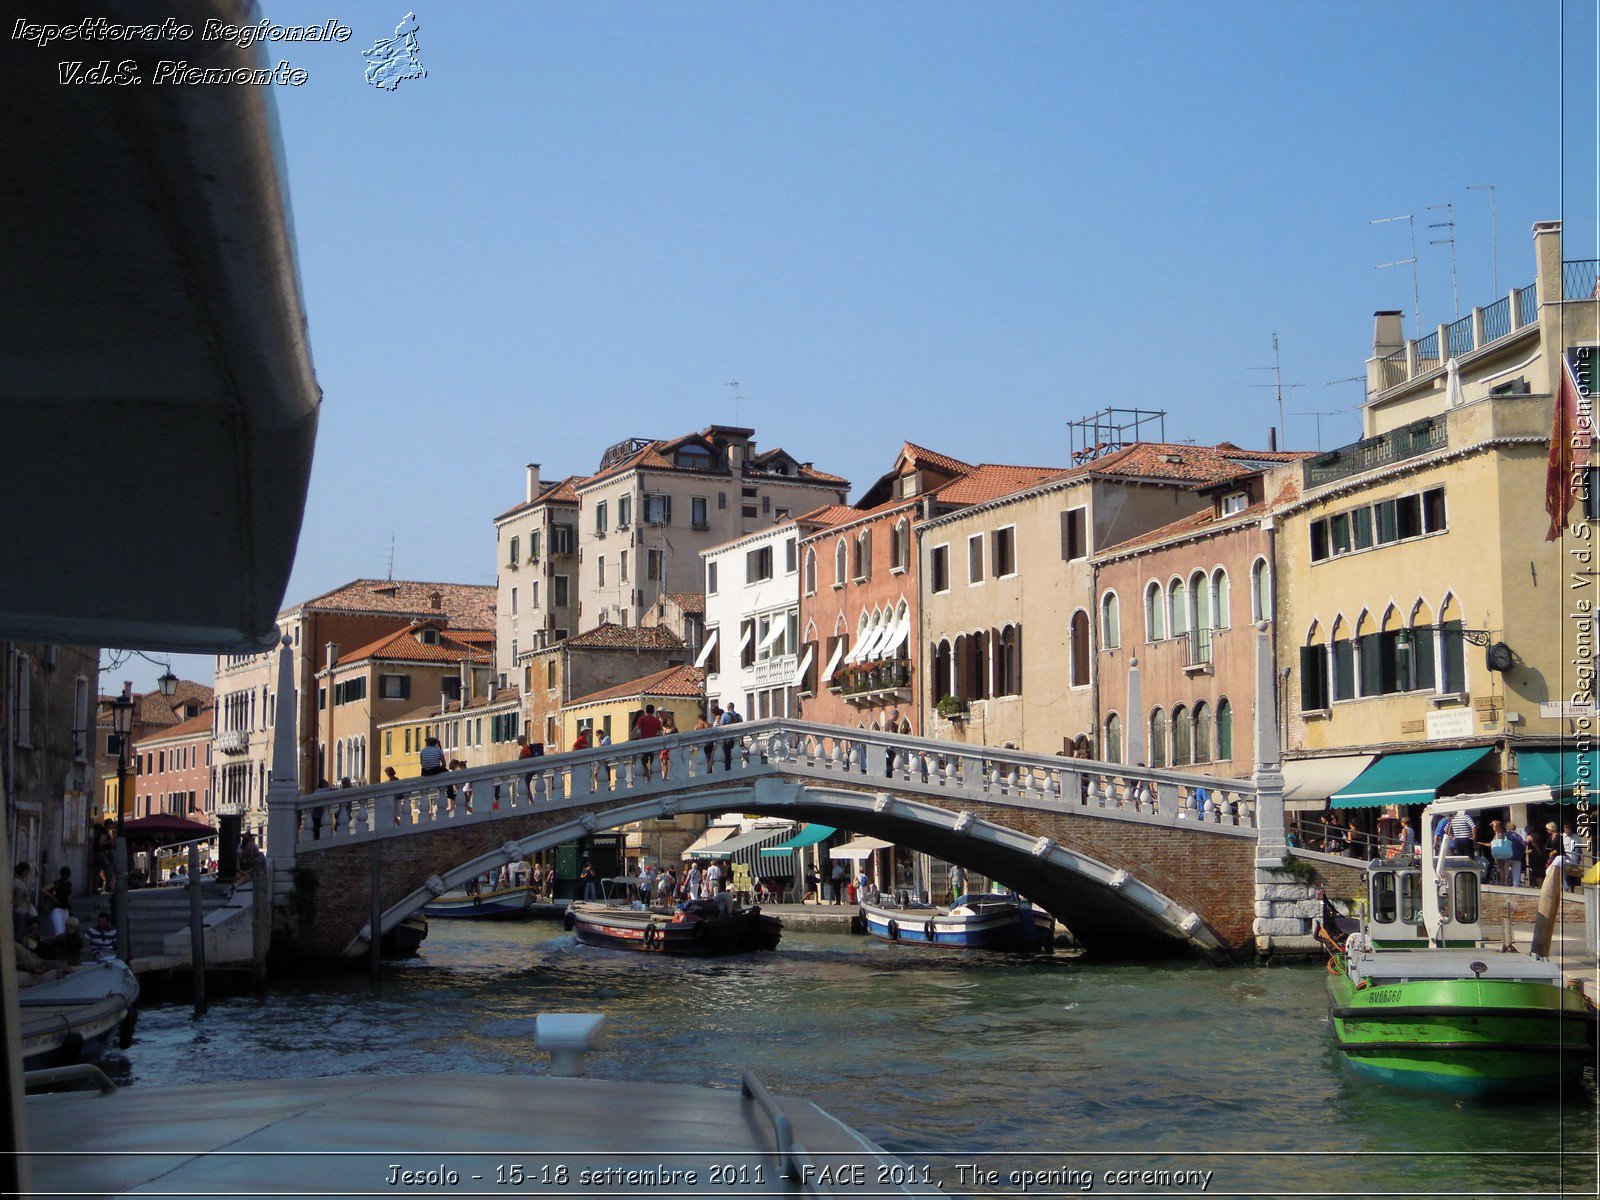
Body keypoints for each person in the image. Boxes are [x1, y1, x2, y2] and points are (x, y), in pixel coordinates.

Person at [632, 704, 663, 780]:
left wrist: (636, 736)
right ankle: (653, 778)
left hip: (644, 744)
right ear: (653, 711)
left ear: (646, 710)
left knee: (642, 762)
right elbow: (660, 733)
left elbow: (635, 730)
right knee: (654, 762)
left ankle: (648, 777)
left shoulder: (642, 719)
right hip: (653, 744)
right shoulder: (657, 720)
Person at [12, 862, 34, 943]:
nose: (29, 872)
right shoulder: (16, 882)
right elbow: (11, 894)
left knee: (23, 931)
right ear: (24, 871)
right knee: (19, 932)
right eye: (28, 870)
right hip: (19, 911)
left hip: (24, 911)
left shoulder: (23, 882)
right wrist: (16, 903)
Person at [717, 702, 742, 770]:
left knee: (727, 754)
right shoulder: (739, 716)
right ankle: (737, 768)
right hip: (737, 739)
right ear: (733, 707)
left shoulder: (725, 715)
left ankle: (728, 768)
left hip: (728, 739)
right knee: (737, 754)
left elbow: (721, 727)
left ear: (728, 708)